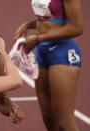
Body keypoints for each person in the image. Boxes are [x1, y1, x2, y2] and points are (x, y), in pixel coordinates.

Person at [15, 0, 83, 130]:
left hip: (63, 53)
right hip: (42, 51)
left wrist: (38, 39)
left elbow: (77, 27)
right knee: (49, 121)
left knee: (64, 124)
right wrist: (27, 25)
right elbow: (49, 19)